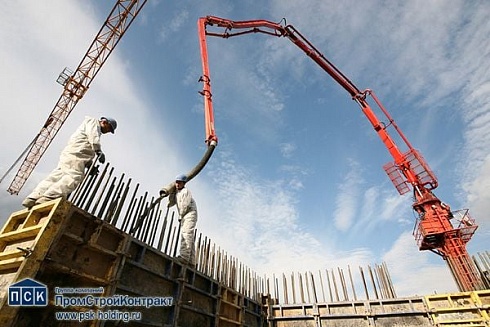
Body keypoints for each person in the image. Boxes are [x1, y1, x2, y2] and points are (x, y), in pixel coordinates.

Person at [22, 116, 117, 208]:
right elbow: (93, 139)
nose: (108, 132)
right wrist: (99, 151)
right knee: (74, 177)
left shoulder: (90, 126)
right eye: (109, 129)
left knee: (57, 176)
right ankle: (50, 197)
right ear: (104, 122)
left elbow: (86, 148)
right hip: (76, 155)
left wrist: (89, 165)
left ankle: (34, 197)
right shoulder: (93, 123)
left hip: (71, 154)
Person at [165, 174, 198, 267]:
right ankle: (191, 261)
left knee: (186, 233)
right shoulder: (177, 193)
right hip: (184, 215)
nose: (177, 184)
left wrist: (181, 215)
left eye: (180, 182)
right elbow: (170, 204)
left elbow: (185, 205)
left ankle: (184, 257)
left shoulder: (185, 191)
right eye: (176, 182)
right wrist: (170, 193)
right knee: (189, 237)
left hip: (189, 213)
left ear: (184, 183)